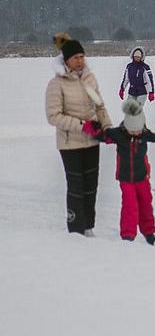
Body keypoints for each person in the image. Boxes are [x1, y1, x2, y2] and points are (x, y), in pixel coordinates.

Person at [83, 98, 155, 244]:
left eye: (138, 130)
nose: (136, 133)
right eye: (132, 130)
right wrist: (93, 127)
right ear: (126, 126)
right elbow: (103, 135)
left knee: (146, 203)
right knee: (130, 205)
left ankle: (149, 232)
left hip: (142, 177)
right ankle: (128, 234)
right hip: (125, 179)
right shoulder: (118, 134)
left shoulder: (144, 134)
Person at [45, 33, 111, 236]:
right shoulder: (57, 84)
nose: (80, 61)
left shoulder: (90, 78)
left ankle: (88, 225)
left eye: (82, 56)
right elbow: (53, 116)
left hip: (92, 141)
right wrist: (82, 125)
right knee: (76, 185)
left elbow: (100, 106)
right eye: (76, 57)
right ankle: (75, 228)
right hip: (70, 143)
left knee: (91, 185)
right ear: (66, 60)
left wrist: (107, 128)